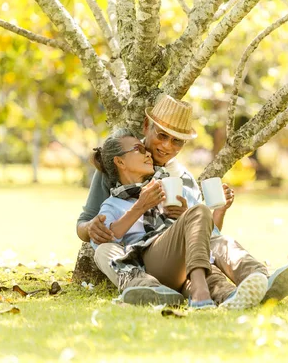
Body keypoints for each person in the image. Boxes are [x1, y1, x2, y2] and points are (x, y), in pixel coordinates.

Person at [76, 95, 288, 306]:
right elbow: (89, 224)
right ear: (147, 127)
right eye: (162, 136)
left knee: (220, 244)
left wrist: (214, 213)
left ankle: (255, 283)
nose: (167, 147)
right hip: (144, 257)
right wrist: (92, 227)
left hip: (181, 260)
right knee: (104, 249)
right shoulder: (116, 165)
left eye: (177, 141)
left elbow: (208, 237)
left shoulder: (181, 178)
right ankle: (169, 290)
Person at [90, 129, 268, 309]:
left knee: (217, 279)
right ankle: (195, 293)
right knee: (198, 213)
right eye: (139, 149)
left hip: (184, 268)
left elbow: (209, 236)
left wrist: (209, 213)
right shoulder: (113, 204)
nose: (148, 153)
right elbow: (104, 242)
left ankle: (245, 292)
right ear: (120, 161)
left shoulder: (173, 189)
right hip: (150, 266)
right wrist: (140, 206)